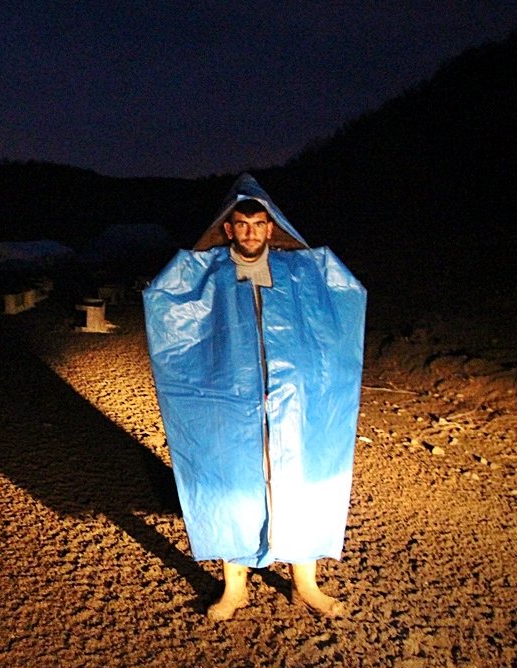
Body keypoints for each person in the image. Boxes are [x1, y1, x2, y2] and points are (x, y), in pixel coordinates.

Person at [143, 175, 366, 620]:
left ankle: (306, 584)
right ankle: (235, 587)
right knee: (234, 483)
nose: (250, 232)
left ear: (270, 227)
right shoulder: (208, 275)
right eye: (241, 224)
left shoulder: (297, 272)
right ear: (228, 229)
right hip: (229, 399)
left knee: (298, 478)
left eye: (258, 223)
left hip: (291, 400)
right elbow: (164, 302)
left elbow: (346, 295)